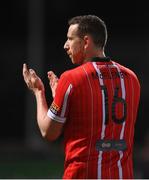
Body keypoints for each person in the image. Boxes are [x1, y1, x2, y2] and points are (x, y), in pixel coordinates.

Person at [23, 15, 140, 179]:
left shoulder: (71, 79)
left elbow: (48, 132)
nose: (65, 45)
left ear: (86, 42)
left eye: (70, 39)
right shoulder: (131, 78)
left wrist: (38, 92)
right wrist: (62, 98)